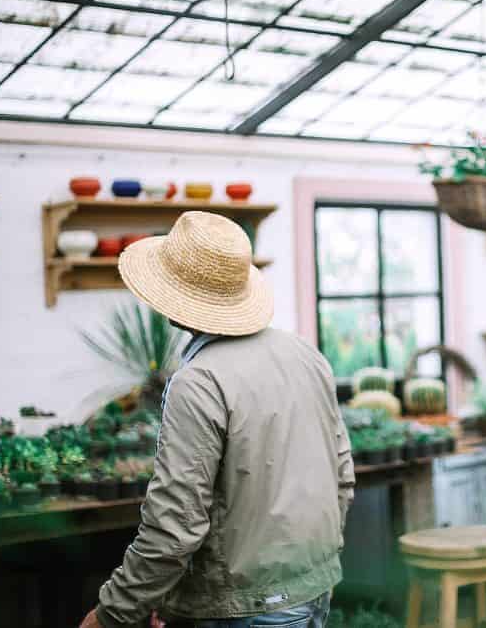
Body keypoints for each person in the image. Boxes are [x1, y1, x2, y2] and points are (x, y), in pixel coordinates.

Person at [81, 211, 355, 628]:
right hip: (313, 589)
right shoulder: (305, 355)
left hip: (247, 610)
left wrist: (112, 614)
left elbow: (175, 525)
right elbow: (342, 476)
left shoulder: (199, 381)